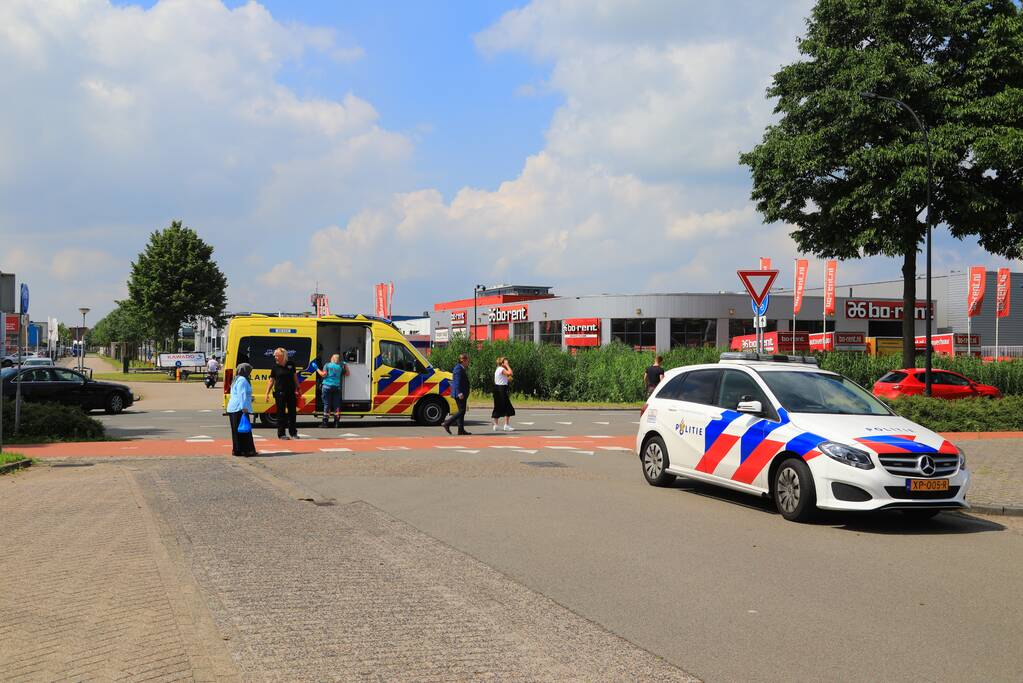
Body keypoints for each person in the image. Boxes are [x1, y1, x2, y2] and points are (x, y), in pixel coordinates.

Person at [265, 347, 300, 440]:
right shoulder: (275, 367)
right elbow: (271, 381)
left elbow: (295, 377)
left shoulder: (291, 365)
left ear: (283, 356)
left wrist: (298, 388)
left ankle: (293, 433)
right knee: (281, 414)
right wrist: (267, 393)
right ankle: (281, 434)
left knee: (292, 413)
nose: (275, 357)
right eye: (275, 356)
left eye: (277, 355)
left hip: (291, 392)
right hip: (280, 393)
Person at [226, 363, 257, 456]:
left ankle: (237, 450)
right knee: (245, 430)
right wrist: (244, 407)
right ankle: (247, 450)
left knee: (236, 430)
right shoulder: (243, 380)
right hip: (240, 408)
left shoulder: (236, 379)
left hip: (233, 408)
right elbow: (242, 394)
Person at [315, 352, 348, 428]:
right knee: (336, 405)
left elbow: (323, 374)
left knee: (327, 404)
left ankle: (325, 423)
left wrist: (316, 368)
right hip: (337, 387)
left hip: (327, 386)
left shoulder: (327, 365)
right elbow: (347, 374)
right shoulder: (340, 367)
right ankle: (336, 423)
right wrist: (345, 364)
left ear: (332, 359)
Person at [442, 353, 470, 435]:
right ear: (463, 361)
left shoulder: (460, 368)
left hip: (461, 393)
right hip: (459, 394)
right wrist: (459, 393)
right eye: (467, 360)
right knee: (462, 411)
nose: (468, 362)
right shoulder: (458, 369)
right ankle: (447, 423)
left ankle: (461, 430)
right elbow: (456, 382)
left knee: (461, 411)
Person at [491, 356, 515, 431]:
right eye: (505, 361)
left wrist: (507, 379)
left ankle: (496, 425)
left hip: (496, 388)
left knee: (497, 406)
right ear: (502, 363)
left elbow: (504, 377)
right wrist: (507, 365)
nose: (507, 362)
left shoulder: (498, 369)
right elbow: (511, 373)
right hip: (501, 389)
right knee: (507, 406)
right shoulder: (502, 369)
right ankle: (506, 425)